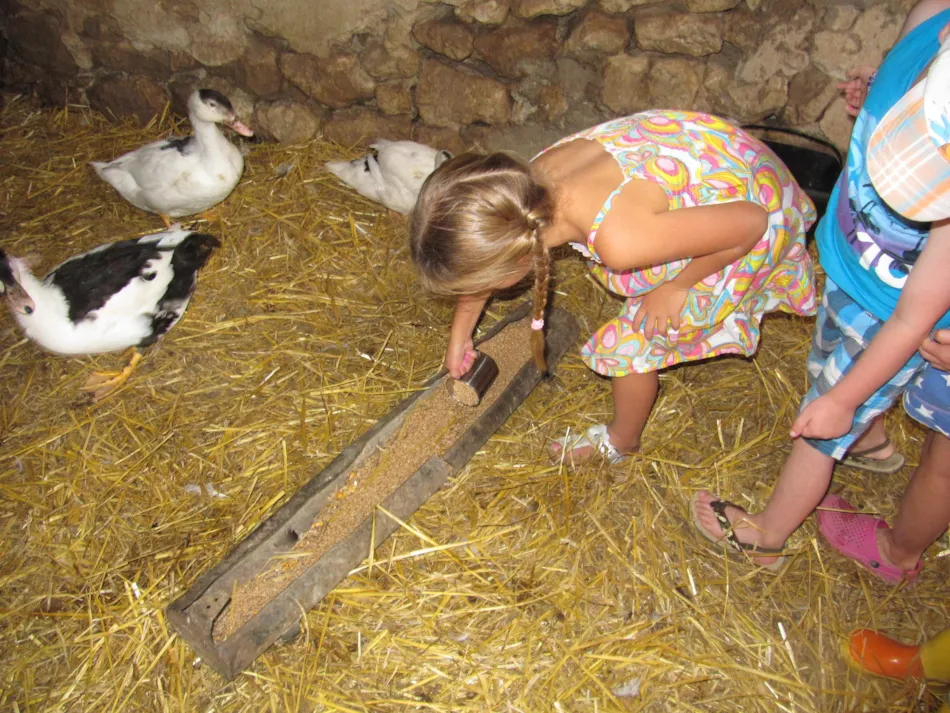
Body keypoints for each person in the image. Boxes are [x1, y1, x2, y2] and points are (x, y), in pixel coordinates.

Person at [691, 1, 950, 582]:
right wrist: (879, 91)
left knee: (823, 417)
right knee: (821, 361)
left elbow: (912, 320)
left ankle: (767, 536)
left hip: (892, 315)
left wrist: (842, 402)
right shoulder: (931, 18)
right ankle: (870, 443)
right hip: (849, 262)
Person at [408, 111, 817, 467]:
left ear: (515, 262)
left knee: (631, 348)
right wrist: (461, 333)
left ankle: (622, 441)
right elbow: (490, 251)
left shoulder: (621, 242)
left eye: (482, 283)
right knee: (639, 260)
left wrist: (677, 286)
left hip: (756, 209)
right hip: (714, 155)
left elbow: (751, 223)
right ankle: (674, 251)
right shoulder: (519, 191)